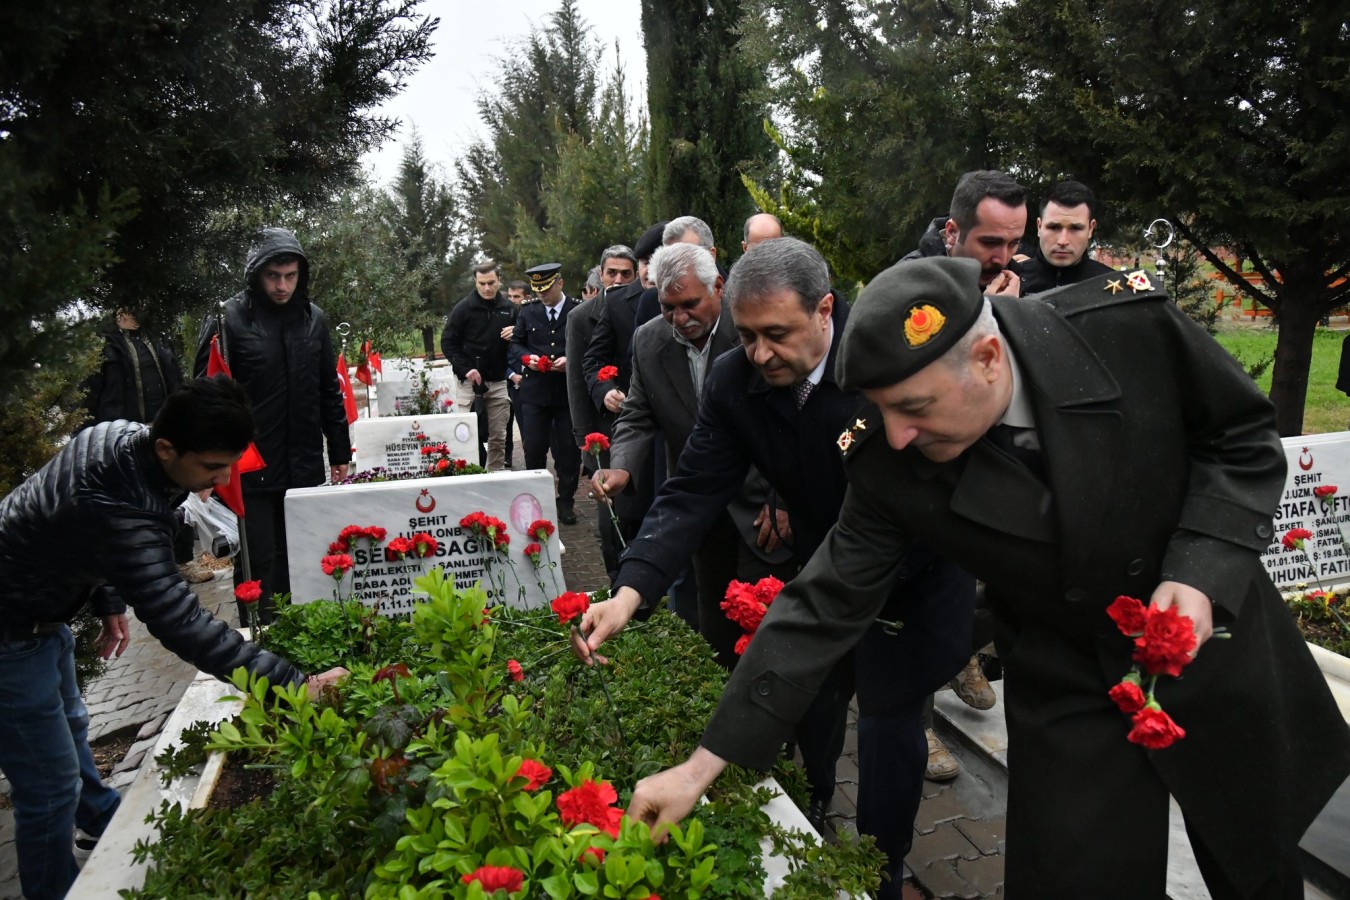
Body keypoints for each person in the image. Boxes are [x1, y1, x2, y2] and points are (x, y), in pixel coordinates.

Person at [620, 255, 1350, 899]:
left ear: (990, 358)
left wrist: (1197, 570)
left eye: (914, 409)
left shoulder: (1126, 330)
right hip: (1066, 670)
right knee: (1076, 878)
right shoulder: (886, 460)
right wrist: (702, 765)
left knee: (1254, 856)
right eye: (882, 411)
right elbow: (825, 600)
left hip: (1210, 633)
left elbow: (1240, 439)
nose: (898, 435)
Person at [580, 238, 974, 895]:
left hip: (914, 581)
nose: (760, 354)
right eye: (748, 334)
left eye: (777, 334)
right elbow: (692, 490)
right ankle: (815, 809)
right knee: (812, 701)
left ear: (825, 311)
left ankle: (883, 871)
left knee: (885, 729)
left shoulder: (884, 364)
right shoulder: (738, 381)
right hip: (822, 570)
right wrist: (629, 592)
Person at [0, 376, 347, 900]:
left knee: (71, 724)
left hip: (36, 615)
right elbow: (179, 621)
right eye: (212, 466)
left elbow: (63, 522)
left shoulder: (119, 438)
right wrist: (293, 683)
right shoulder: (122, 504)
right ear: (167, 448)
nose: (225, 477)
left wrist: (107, 599)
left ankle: (100, 818)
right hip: (10, 633)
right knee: (46, 789)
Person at [592, 242, 795, 666]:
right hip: (700, 511)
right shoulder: (649, 341)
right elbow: (636, 413)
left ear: (718, 287)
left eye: (689, 304)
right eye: (668, 307)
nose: (679, 319)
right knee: (718, 632)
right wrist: (623, 468)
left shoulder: (752, 333)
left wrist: (785, 497)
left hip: (765, 512)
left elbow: (793, 420)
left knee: (772, 633)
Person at [195, 227, 350, 621]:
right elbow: (204, 397)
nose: (282, 286)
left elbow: (327, 389)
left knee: (304, 552)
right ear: (256, 273)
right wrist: (207, 465)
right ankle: (260, 643)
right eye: (273, 276)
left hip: (302, 461)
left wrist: (339, 449)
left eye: (291, 276)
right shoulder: (227, 319)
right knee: (259, 560)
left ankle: (304, 634)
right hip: (250, 465)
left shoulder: (313, 319)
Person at [511, 263, 582, 525]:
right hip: (535, 392)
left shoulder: (576, 310)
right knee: (535, 448)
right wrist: (526, 357)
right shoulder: (528, 311)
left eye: (547, 289)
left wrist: (569, 359)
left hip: (565, 393)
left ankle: (565, 502)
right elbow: (516, 344)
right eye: (538, 290)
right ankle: (536, 501)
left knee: (567, 451)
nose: (542, 295)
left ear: (560, 284)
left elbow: (589, 344)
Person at [441, 261, 516, 471]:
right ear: (475, 282)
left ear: (499, 281)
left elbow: (523, 341)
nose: (487, 288)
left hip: (499, 380)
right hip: (469, 382)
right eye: (481, 283)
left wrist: (517, 334)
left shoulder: (509, 309)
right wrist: (466, 368)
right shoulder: (463, 308)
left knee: (499, 436)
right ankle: (471, 474)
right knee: (466, 435)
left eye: (491, 282)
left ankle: (495, 476)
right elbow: (448, 342)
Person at [904, 169, 1026, 297]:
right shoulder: (906, 286)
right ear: (951, 232)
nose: (1002, 260)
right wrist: (994, 311)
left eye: (1013, 243)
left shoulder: (1018, 280)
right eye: (990, 243)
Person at [83, 307, 184, 426]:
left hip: (168, 426)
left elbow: (177, 380)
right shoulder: (101, 340)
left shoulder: (158, 333)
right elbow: (86, 394)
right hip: (123, 433)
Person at [1018, 180, 1115, 296]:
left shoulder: (1111, 286)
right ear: (1039, 226)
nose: (1063, 241)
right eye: (1053, 227)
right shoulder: (1009, 281)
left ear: (1090, 229)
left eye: (1075, 228)